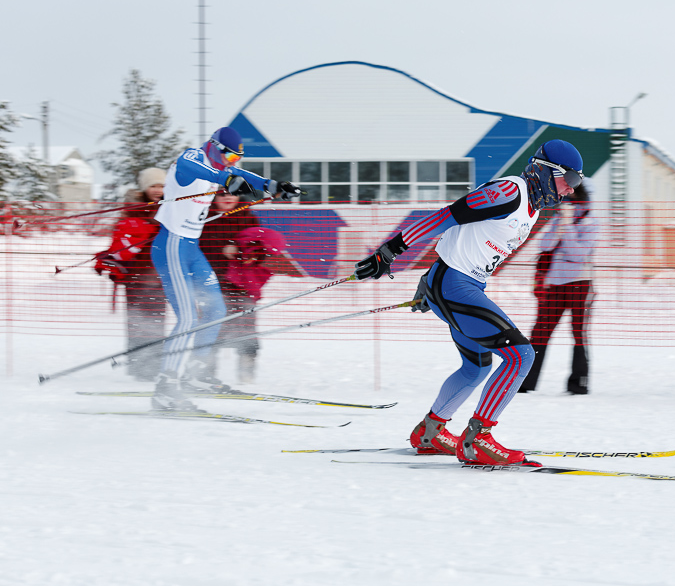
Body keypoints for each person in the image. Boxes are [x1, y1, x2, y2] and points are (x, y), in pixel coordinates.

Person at [354, 140, 584, 465]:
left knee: (476, 368)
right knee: (521, 355)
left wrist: (428, 282)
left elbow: (466, 235)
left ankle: (431, 432)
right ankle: (477, 440)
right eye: (571, 180)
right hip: (455, 287)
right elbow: (447, 217)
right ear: (547, 171)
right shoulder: (509, 192)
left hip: (455, 285)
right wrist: (390, 250)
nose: (572, 190)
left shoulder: (533, 207)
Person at [150, 126, 302, 410]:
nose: (231, 163)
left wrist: (273, 186)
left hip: (191, 249)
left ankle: (194, 374)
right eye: (229, 157)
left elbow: (243, 177)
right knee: (187, 319)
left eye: (235, 159)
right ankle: (165, 388)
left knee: (216, 310)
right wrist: (225, 177)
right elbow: (188, 166)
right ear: (214, 147)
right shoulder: (194, 156)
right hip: (171, 244)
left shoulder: (223, 167)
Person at [518, 181, 598, 395]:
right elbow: (544, 245)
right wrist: (561, 225)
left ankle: (578, 384)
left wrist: (568, 227)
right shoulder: (558, 219)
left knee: (579, 333)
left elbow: (578, 255)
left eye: (570, 201)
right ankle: (525, 383)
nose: (566, 205)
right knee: (539, 333)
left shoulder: (590, 222)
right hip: (554, 285)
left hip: (580, 284)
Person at [95, 168, 167, 381]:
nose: (157, 190)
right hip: (137, 277)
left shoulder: (169, 208)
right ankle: (139, 368)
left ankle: (154, 366)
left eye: (161, 186)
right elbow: (119, 240)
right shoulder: (133, 210)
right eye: (153, 186)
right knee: (138, 324)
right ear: (144, 188)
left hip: (159, 276)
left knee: (157, 322)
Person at [198, 192, 262, 383]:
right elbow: (194, 248)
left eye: (234, 194)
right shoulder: (204, 217)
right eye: (223, 194)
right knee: (211, 328)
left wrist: (244, 250)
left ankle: (246, 373)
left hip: (242, 284)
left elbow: (260, 248)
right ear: (214, 197)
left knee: (247, 328)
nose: (229, 198)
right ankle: (206, 372)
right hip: (211, 283)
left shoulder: (248, 217)